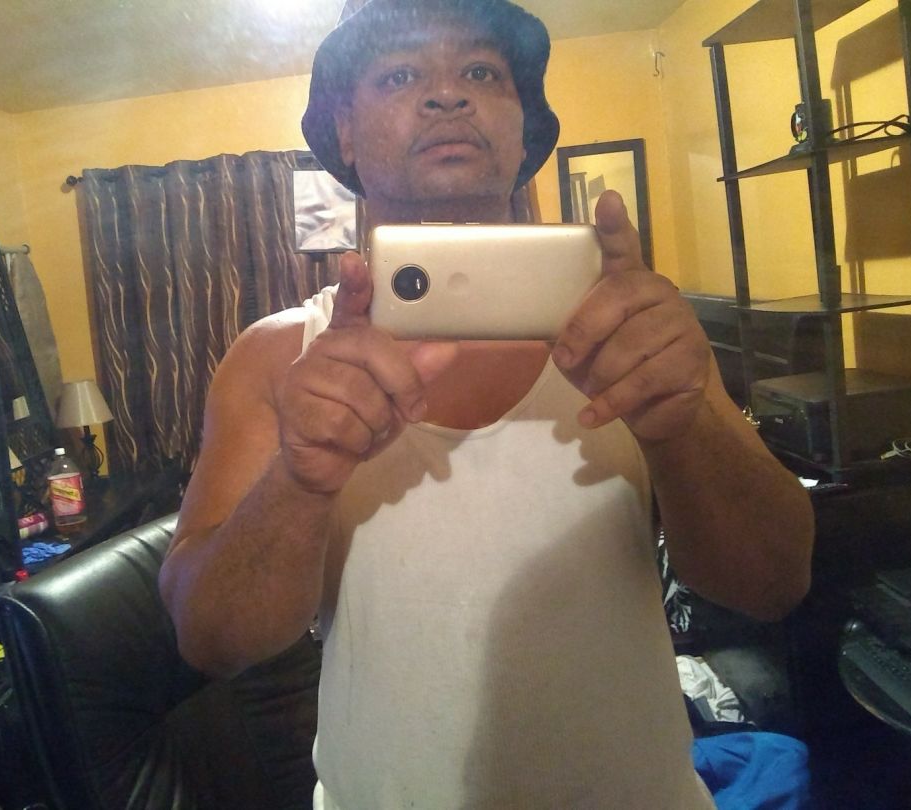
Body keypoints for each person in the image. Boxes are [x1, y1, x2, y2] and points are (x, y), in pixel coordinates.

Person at [159, 0, 815, 806]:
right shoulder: (277, 356)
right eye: (400, 75)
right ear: (346, 132)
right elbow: (209, 639)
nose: (448, 95)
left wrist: (684, 429)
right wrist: (298, 481)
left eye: (480, 72)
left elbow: (774, 584)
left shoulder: (631, 325)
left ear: (524, 129)